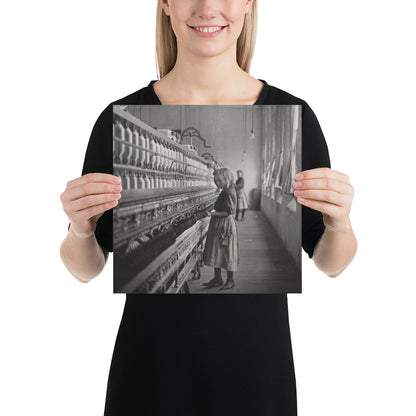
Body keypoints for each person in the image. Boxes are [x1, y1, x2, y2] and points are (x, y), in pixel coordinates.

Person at [59, 1, 358, 414]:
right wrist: (80, 230)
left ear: (250, 4)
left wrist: (339, 224)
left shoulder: (296, 115)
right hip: (151, 378)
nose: (208, 7)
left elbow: (330, 263)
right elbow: (86, 267)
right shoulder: (116, 117)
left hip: (255, 377)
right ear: (165, 4)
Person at [202, 167, 239, 289]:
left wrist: (210, 214)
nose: (217, 183)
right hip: (220, 224)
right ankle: (217, 278)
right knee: (216, 251)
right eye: (215, 180)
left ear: (227, 179)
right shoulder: (226, 190)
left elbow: (228, 212)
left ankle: (230, 280)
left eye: (219, 180)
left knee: (227, 252)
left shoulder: (228, 192)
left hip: (224, 225)